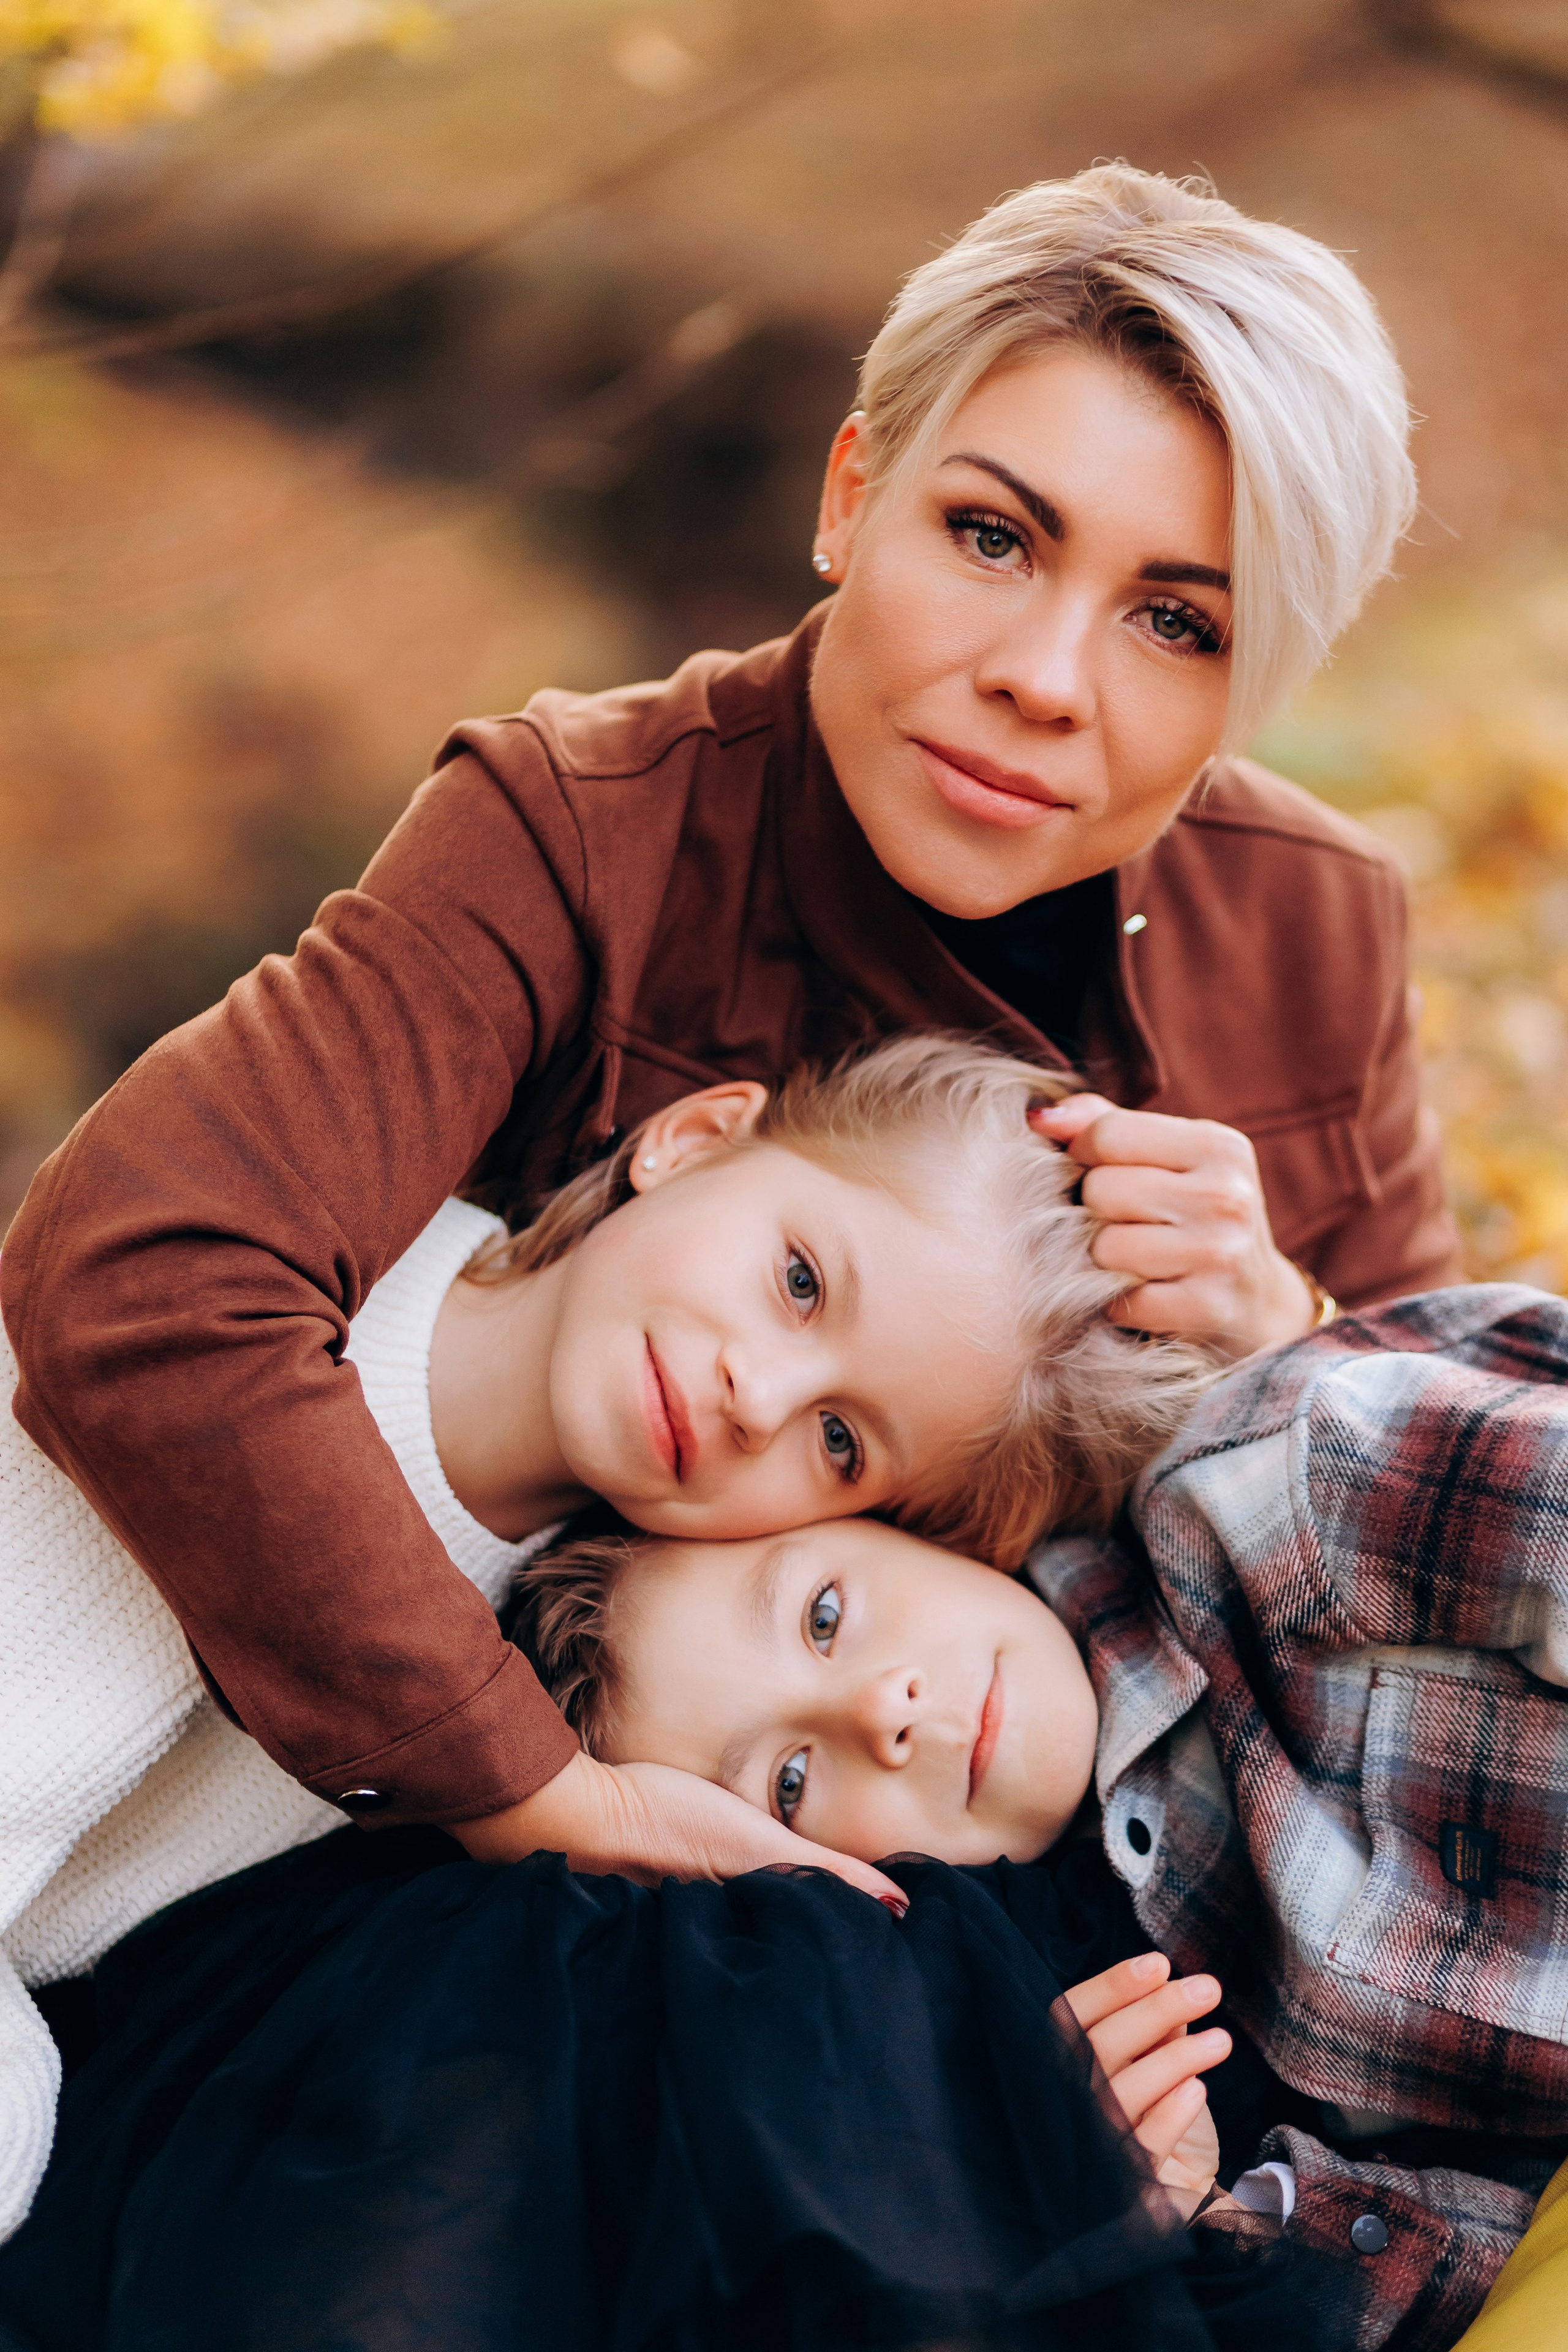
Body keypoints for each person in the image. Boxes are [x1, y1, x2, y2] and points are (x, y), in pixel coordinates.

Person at [0, 165, 1458, 1891]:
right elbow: (153, 1272)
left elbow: (1437, 1565)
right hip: (449, 1856)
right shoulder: (578, 825)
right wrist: (532, 1788)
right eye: (992, 535)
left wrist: (1287, 1340)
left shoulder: (1309, 923)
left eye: (1178, 622)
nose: (1048, 678)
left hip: (1063, 1895)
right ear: (854, 496)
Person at [0, 1035, 1210, 2241]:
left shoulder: (569, 1649)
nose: (762, 1395)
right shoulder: (307, 1247)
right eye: (797, 1281)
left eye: (839, 1443)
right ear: (688, 1139)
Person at [507, 1280, 1568, 2351]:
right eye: (788, 1783)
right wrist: (1203, 2213)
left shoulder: (1269, 1495)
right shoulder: (1077, 2015)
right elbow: (1493, 2264)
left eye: (827, 1615)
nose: (884, 1710)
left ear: (902, 1520)